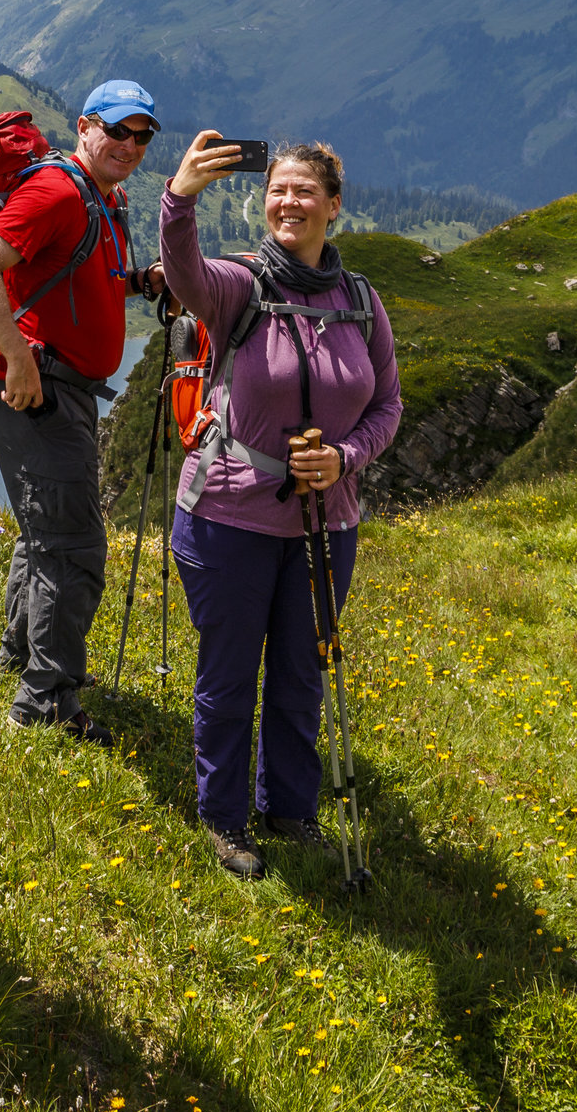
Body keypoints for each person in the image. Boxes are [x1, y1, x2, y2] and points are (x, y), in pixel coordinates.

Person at [159, 133, 402, 878]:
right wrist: (180, 198)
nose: (289, 201)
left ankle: (291, 810)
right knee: (229, 674)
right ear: (263, 201)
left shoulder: (361, 302)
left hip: (328, 522)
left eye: (305, 191)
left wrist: (344, 459)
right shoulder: (238, 284)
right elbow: (184, 275)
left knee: (302, 669)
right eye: (278, 189)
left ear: (333, 205)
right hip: (229, 515)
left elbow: (387, 405)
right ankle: (224, 818)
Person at [0, 79, 160, 745]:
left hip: (56, 387)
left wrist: (139, 282)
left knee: (47, 531)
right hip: (36, 388)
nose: (130, 144)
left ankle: (25, 654)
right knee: (73, 547)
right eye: (118, 129)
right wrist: (16, 356)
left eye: (143, 134)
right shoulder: (57, 191)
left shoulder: (100, 198)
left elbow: (76, 276)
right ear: (84, 125)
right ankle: (45, 700)